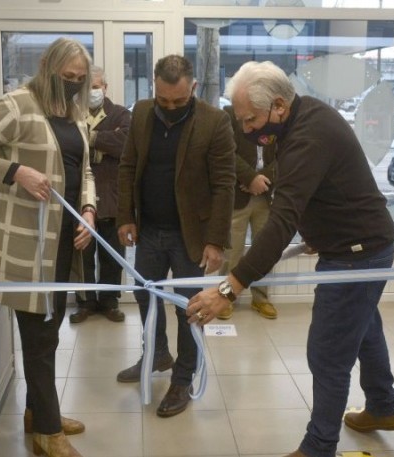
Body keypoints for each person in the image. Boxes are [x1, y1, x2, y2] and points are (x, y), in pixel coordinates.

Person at [186, 61, 394, 457]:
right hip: (357, 245)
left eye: (251, 120)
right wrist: (319, 231)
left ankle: (319, 447)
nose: (247, 129)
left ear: (280, 106)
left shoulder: (308, 135)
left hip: (357, 254)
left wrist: (228, 289)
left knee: (328, 350)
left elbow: (281, 219)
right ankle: (383, 408)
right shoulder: (300, 121)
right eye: (241, 120)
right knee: (364, 326)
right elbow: (319, 187)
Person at [0, 37, 96, 457]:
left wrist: (87, 208)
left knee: (49, 332)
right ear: (48, 68)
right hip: (28, 245)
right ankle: (47, 432)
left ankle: (37, 412)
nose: (73, 85)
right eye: (67, 77)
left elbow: (83, 169)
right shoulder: (17, 105)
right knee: (39, 336)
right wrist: (14, 171)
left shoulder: (76, 112)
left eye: (80, 79)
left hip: (66, 239)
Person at [116, 54, 236, 418]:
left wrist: (215, 241)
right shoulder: (141, 113)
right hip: (149, 230)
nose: (169, 108)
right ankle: (157, 354)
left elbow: (224, 184)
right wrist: (125, 216)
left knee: (191, 309)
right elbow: (128, 166)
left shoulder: (215, 122)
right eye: (163, 100)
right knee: (144, 298)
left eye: (179, 101)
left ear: (193, 88)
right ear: (154, 87)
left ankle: (182, 378)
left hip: (192, 236)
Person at [70, 65, 131, 324]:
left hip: (112, 197)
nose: (92, 92)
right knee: (82, 255)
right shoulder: (69, 113)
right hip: (80, 198)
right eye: (87, 87)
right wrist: (107, 143)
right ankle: (86, 302)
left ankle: (109, 301)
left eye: (96, 87)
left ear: (105, 88)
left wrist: (90, 138)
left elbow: (126, 143)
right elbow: (70, 148)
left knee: (111, 255)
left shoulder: (120, 114)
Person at [217, 104, 279, 320]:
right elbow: (226, 151)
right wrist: (249, 178)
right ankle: (225, 298)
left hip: (266, 194)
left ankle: (261, 298)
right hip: (238, 195)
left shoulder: (275, 117)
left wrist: (261, 178)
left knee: (266, 249)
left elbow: (286, 155)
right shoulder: (230, 114)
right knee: (231, 252)